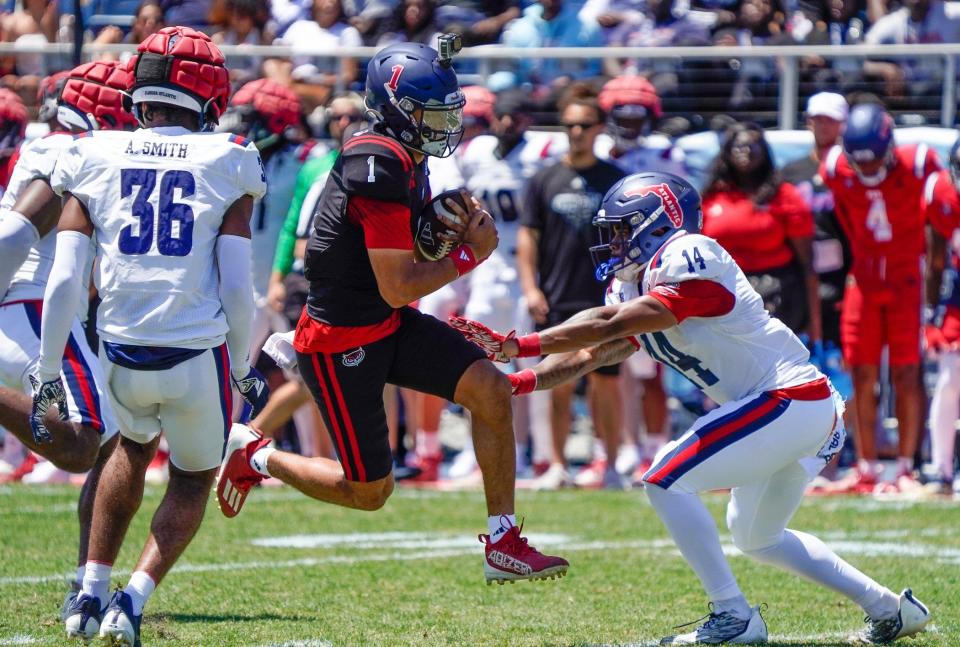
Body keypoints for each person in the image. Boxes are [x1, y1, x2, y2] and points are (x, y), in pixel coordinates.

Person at [450, 171, 931, 645]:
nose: (613, 242)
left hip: (789, 396)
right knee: (757, 537)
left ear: (659, 222)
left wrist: (520, 344)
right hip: (783, 410)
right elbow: (594, 352)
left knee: (664, 478)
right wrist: (519, 382)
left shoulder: (689, 254)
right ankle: (891, 609)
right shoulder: (633, 283)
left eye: (621, 230)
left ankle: (733, 614)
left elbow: (611, 322)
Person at [216, 40, 569, 584]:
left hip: (384, 320)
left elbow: (397, 269)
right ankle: (256, 455)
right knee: (369, 492)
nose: (444, 124)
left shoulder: (405, 155)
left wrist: (435, 230)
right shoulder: (377, 161)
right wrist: (468, 253)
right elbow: (401, 284)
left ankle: (503, 543)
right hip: (342, 340)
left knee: (490, 390)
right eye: (433, 113)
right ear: (399, 110)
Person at [33, 27, 269, 646]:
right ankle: (131, 601)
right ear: (210, 92)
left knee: (128, 451)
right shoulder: (231, 157)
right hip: (195, 354)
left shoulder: (91, 152)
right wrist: (243, 364)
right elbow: (239, 289)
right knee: (191, 477)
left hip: (120, 352)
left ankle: (88, 589)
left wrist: (49, 367)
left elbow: (64, 281)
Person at [0, 60, 134, 624]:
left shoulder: (60, 146)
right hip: (32, 308)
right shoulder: (70, 153)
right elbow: (15, 232)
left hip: (41, 308)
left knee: (115, 442)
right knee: (84, 442)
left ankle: (88, 586)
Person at [821, 102, 939, 494]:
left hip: (907, 276)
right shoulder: (838, 167)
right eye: (862, 164)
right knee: (861, 373)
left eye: (874, 162)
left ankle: (905, 467)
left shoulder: (919, 163)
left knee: (906, 373)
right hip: (866, 277)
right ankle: (866, 466)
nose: (868, 171)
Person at [517, 83, 625, 490]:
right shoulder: (544, 179)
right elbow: (529, 239)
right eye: (569, 126)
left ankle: (610, 465)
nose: (576, 132)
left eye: (583, 125)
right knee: (557, 381)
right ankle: (558, 465)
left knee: (606, 384)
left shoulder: (616, 179)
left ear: (599, 128)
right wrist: (531, 289)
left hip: (604, 298)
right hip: (558, 294)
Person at [701, 122, 820, 339]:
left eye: (752, 146)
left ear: (764, 152)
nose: (745, 151)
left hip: (776, 296)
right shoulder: (711, 196)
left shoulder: (784, 195)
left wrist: (815, 324)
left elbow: (807, 264)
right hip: (723, 295)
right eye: (738, 146)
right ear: (727, 153)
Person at [919, 138, 960, 497]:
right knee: (949, 380)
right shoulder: (941, 190)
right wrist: (931, 316)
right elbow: (935, 259)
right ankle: (941, 468)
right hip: (958, 296)